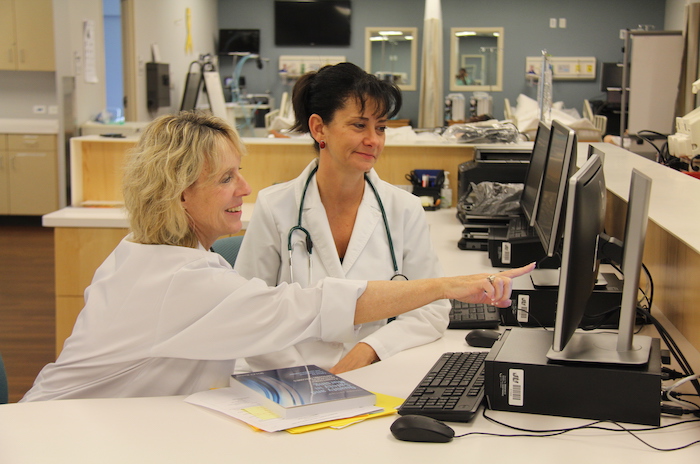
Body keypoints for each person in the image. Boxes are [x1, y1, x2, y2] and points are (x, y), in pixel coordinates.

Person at [21, 112, 533, 402]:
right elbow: (310, 306)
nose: (246, 187)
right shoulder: (180, 281)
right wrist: (446, 285)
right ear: (179, 195)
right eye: (226, 179)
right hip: (58, 438)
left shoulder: (143, 251)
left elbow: (267, 319)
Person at [234, 62, 473, 375]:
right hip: (289, 379)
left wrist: (370, 349)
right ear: (319, 128)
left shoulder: (404, 209)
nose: (374, 140)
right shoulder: (275, 207)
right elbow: (248, 313)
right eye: (359, 126)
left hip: (377, 376)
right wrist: (307, 376)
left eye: (381, 127)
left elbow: (431, 309)